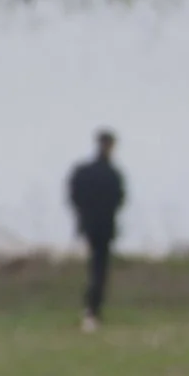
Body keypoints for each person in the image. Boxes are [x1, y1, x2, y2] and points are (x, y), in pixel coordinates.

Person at [68, 130, 127, 330]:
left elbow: (74, 197)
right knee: (100, 269)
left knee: (95, 266)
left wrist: (83, 217)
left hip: (89, 226)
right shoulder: (112, 174)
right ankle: (93, 308)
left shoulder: (83, 172)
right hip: (105, 227)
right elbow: (120, 200)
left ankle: (90, 307)